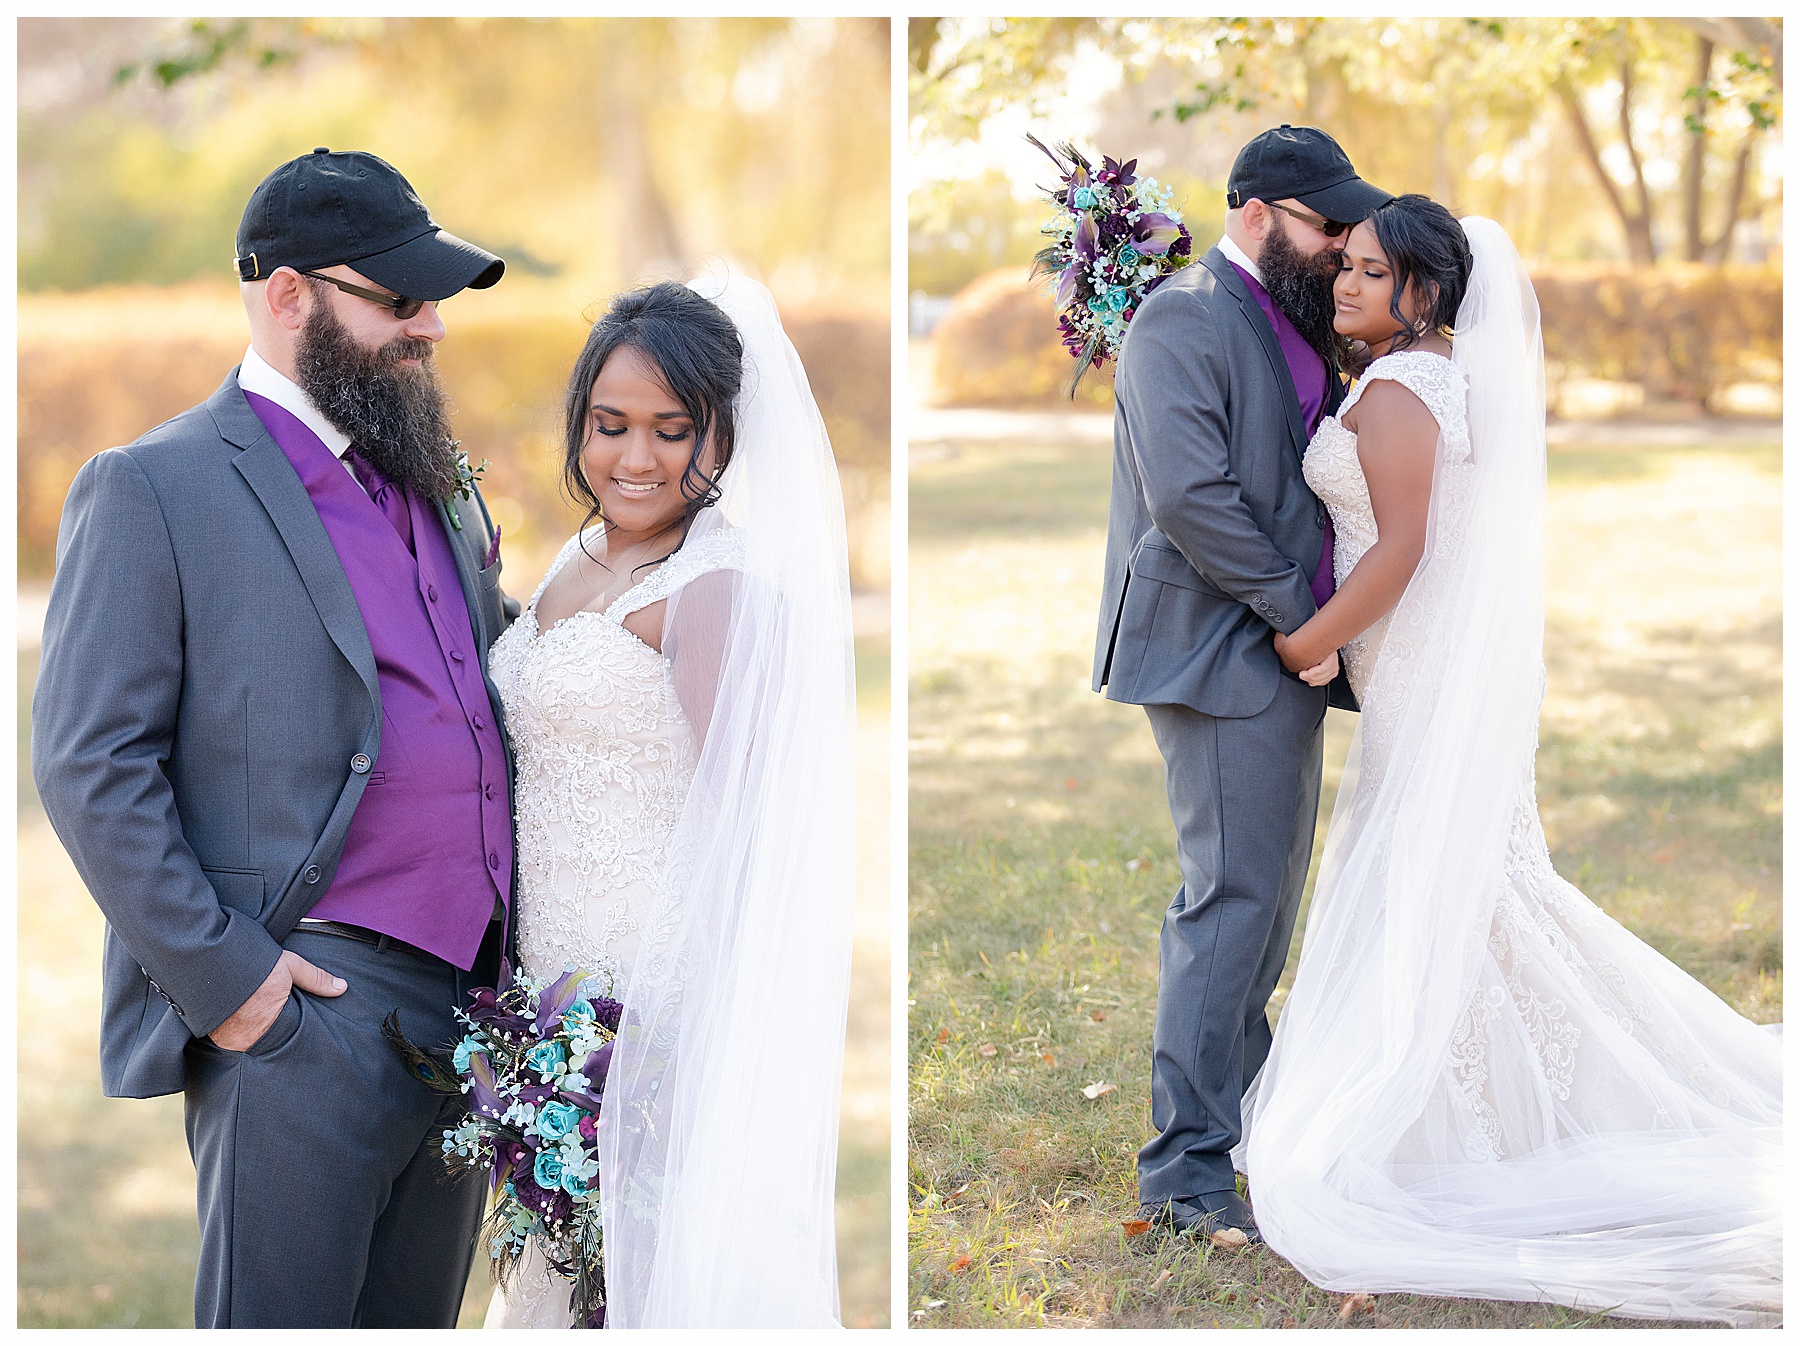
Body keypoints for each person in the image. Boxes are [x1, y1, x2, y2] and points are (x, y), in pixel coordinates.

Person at [1240, 195, 1782, 1326]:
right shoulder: (1431, 377)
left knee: (1461, 884)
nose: (1347, 284)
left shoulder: (1398, 390)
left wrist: (1304, 642)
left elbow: (1402, 548)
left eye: (1373, 273)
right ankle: (1500, 1100)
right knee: (1471, 886)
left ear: (1427, 294)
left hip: (1421, 668)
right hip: (1425, 669)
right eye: (1347, 267)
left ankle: (1480, 1117)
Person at [32, 148, 514, 1328]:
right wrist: (235, 987)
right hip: (304, 1015)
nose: (433, 325)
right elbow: (89, 761)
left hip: (472, 1018)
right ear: (288, 292)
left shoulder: (438, 478)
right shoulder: (152, 487)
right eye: (400, 298)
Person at [482, 275, 856, 1327]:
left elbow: (750, 839)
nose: (635, 458)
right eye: (610, 425)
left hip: (653, 1013)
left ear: (722, 439)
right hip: (547, 994)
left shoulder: (715, 589)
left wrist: (689, 1050)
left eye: (671, 429)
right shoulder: (580, 553)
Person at [1091, 125, 1389, 1241]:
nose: (1338, 248)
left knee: (1261, 918)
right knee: (1229, 908)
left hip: (1285, 647)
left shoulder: (1291, 315)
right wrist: (1303, 619)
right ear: (1257, 215)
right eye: (1325, 228)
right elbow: (1193, 496)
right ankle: (1183, 1173)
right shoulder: (1183, 317)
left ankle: (1250, 1128)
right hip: (1222, 647)